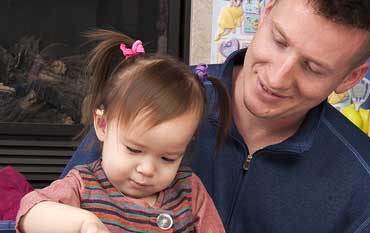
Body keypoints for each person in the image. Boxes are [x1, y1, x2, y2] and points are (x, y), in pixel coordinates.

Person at [62, 0, 370, 232]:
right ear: (266, 14)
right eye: (279, 41)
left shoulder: (366, 185)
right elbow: (64, 201)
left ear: (350, 78)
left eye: (312, 67)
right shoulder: (153, 101)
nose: (277, 78)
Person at [16, 30, 230, 233]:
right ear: (102, 125)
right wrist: (83, 223)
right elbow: (30, 212)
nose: (147, 169)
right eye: (134, 150)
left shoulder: (189, 193)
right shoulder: (84, 185)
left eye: (167, 158)